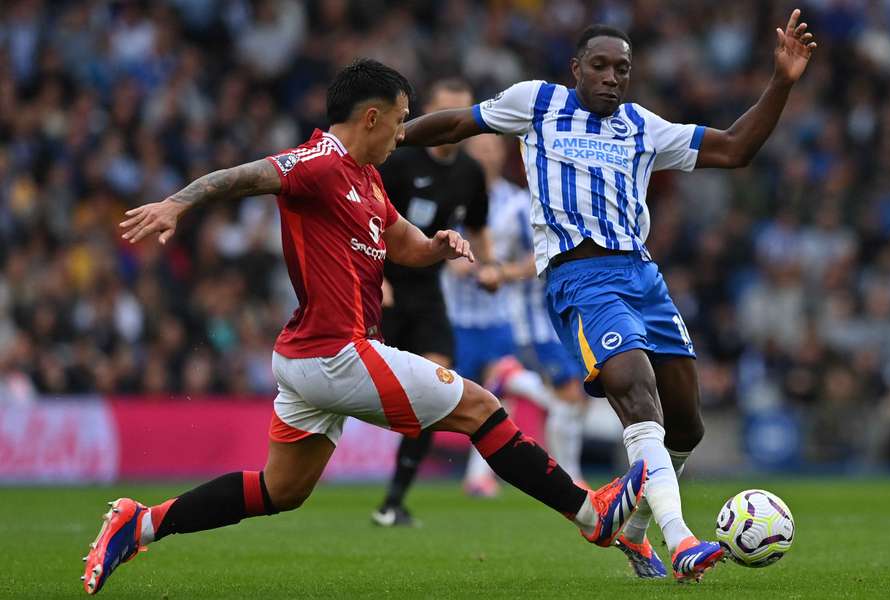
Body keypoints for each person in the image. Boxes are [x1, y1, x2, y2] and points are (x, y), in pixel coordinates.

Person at [81, 59, 647, 595]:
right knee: (479, 407)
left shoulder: (368, 179)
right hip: (335, 353)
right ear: (371, 117)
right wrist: (177, 204)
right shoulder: (319, 163)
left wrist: (437, 247)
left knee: (282, 490)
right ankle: (590, 513)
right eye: (400, 121)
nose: (403, 135)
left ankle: (142, 523)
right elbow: (242, 177)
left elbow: (403, 243)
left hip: (308, 358)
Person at [396, 9, 816, 582]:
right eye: (600, 66)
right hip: (581, 277)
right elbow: (456, 126)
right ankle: (682, 540)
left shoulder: (643, 126)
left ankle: (634, 531)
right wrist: (394, 137)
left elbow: (735, 149)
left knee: (685, 424)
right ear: (576, 69)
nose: (612, 77)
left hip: (644, 278)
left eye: (623, 68)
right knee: (637, 393)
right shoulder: (536, 103)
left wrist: (782, 81)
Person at [371, 77, 499, 526]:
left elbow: (480, 226)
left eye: (461, 117)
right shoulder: (399, 160)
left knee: (436, 385)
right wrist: (378, 277)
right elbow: (366, 218)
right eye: (446, 114)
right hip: (379, 288)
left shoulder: (469, 172)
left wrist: (489, 265)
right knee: (348, 390)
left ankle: (393, 503)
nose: (453, 126)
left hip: (426, 294)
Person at [462, 133, 588, 486]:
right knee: (559, 394)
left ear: (502, 154)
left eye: (491, 148)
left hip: (527, 312)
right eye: (478, 148)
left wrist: (503, 272)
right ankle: (572, 478)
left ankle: (479, 477)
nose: (485, 155)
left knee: (496, 399)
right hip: (502, 319)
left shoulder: (519, 204)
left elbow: (540, 257)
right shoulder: (459, 198)